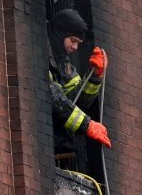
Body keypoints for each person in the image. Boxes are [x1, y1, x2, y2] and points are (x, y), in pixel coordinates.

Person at [47, 9, 111, 154]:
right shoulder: (39, 50)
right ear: (60, 34)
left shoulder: (64, 64)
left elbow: (77, 102)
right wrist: (87, 125)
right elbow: (54, 98)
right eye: (73, 41)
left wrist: (95, 76)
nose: (75, 47)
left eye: (78, 43)